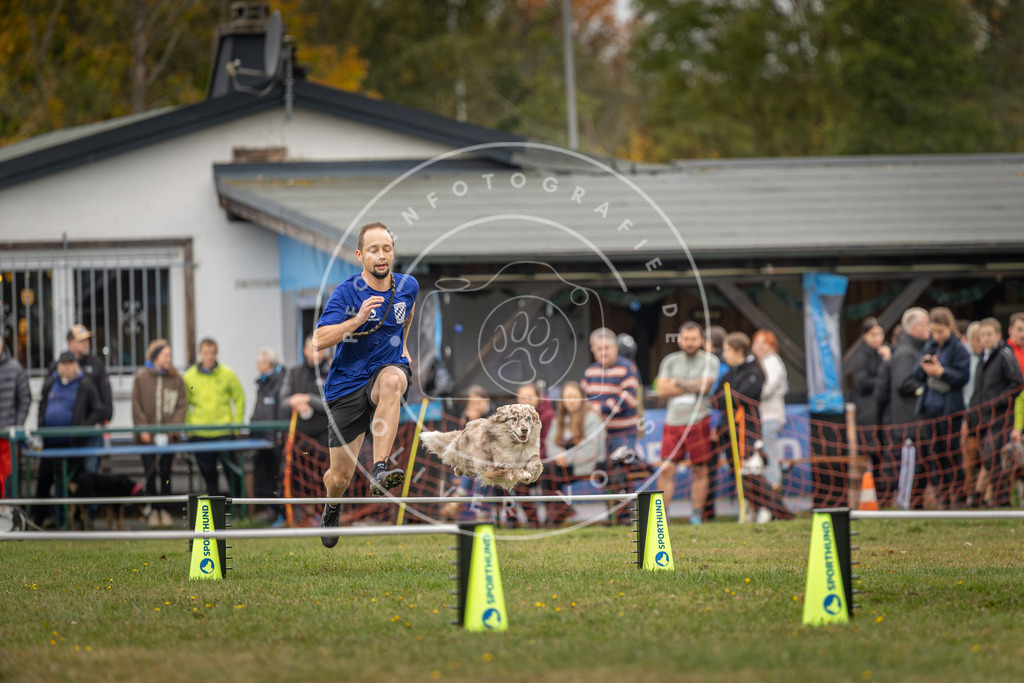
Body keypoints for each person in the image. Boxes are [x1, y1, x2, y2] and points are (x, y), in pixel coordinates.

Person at [314, 221, 418, 548]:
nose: (381, 255)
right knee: (339, 477)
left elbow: (407, 312)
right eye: (374, 250)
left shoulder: (408, 286)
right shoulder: (346, 293)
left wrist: (403, 345)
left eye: (387, 248)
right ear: (360, 256)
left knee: (392, 380)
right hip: (346, 386)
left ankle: (380, 468)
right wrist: (357, 320)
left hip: (385, 371)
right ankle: (332, 505)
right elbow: (319, 340)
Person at [656, 321, 719, 526]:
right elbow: (661, 390)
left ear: (701, 340)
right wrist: (693, 385)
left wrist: (676, 383)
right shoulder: (670, 361)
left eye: (693, 339)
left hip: (699, 421)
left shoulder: (710, 360)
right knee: (667, 468)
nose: (689, 342)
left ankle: (696, 516)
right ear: (679, 340)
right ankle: (662, 516)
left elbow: (705, 386)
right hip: (673, 422)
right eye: (686, 338)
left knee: (699, 469)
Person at [33, 352, 105, 527]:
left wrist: (82, 427)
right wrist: (41, 426)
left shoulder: (85, 384)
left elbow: (98, 410)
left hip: (73, 444)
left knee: (72, 480)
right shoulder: (50, 383)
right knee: (45, 478)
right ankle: (41, 519)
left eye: (70, 364)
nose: (66, 367)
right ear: (58, 366)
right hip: (50, 442)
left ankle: (76, 519)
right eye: (63, 364)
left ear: (75, 365)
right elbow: (42, 407)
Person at [912, 307, 970, 509]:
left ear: (949, 327)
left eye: (940, 331)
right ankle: (942, 496)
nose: (936, 335)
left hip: (949, 410)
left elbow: (963, 376)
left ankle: (959, 495)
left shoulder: (959, 349)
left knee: (951, 453)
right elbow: (915, 374)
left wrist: (941, 372)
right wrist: (924, 366)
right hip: (929, 409)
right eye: (933, 331)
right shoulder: (930, 346)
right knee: (934, 454)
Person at [581, 327, 640, 523]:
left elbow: (629, 397)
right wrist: (589, 409)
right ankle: (611, 513)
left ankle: (625, 514)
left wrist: (602, 408)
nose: (603, 352)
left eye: (607, 348)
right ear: (593, 350)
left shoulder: (627, 368)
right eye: (599, 349)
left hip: (623, 432)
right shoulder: (590, 371)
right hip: (598, 434)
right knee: (603, 470)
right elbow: (582, 398)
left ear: (615, 348)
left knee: (621, 467)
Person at [966, 318, 1024, 507]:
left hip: (1000, 417)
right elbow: (978, 391)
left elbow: (1017, 384)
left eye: (990, 334)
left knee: (991, 455)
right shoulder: (983, 358)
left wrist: (998, 402)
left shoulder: (1005, 354)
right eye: (983, 335)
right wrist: (972, 415)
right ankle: (997, 498)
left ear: (998, 335)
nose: (986, 338)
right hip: (982, 417)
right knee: (988, 459)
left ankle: (1002, 498)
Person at [131, 338, 187, 529]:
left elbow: (181, 405)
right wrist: (143, 429)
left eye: (169, 355)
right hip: (146, 439)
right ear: (155, 356)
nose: (168, 359)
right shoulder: (141, 378)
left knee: (166, 473)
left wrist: (173, 429)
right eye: (165, 355)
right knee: (150, 473)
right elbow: (136, 405)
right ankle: (154, 510)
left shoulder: (176, 379)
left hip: (168, 438)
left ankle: (165, 510)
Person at [184, 337, 246, 498]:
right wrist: (188, 428)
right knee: (209, 476)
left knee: (232, 473)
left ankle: (239, 507)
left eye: (212, 353)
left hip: (224, 432)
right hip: (200, 434)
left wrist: (237, 426)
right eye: (206, 353)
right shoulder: (189, 376)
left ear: (216, 353)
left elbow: (239, 399)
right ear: (200, 353)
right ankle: (214, 508)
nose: (209, 357)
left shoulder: (228, 374)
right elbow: (184, 404)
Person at [53, 324, 113, 474]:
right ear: (70, 343)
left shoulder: (96, 364)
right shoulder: (60, 365)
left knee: (89, 473)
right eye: (81, 340)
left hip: (91, 430)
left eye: (87, 340)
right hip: (66, 433)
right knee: (65, 474)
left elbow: (106, 397)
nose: (86, 344)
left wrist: (102, 421)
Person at [846, 317, 894, 503]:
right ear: (865, 336)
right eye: (873, 335)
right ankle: (875, 495)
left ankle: (885, 495)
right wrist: (884, 371)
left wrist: (888, 361)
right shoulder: (860, 356)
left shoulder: (886, 352)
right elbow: (862, 382)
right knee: (871, 454)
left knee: (886, 454)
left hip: (885, 413)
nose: (878, 338)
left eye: (880, 334)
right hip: (869, 415)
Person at [545, 381, 605, 526]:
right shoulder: (558, 420)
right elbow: (550, 443)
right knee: (546, 470)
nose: (571, 401)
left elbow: (593, 448)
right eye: (567, 397)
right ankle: (559, 511)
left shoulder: (592, 418)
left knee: (549, 471)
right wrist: (559, 456)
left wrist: (568, 457)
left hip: (587, 464)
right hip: (563, 464)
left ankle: (559, 513)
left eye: (574, 396)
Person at [886, 307, 930, 509]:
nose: (930, 328)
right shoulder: (905, 352)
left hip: (915, 421)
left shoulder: (916, 348)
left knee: (921, 467)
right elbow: (902, 383)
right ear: (916, 327)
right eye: (927, 324)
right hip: (908, 423)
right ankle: (905, 506)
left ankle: (915, 506)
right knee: (910, 468)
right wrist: (927, 389)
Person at [250, 348, 289, 524]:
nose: (257, 365)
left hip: (277, 439)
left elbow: (281, 409)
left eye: (259, 362)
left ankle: (284, 513)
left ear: (268, 363)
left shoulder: (283, 379)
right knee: (268, 478)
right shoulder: (262, 382)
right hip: (262, 439)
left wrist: (279, 434)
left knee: (280, 478)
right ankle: (273, 510)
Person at [508, 382, 553, 527]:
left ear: (538, 397)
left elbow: (546, 444)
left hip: (544, 460)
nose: (526, 400)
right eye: (522, 397)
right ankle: (530, 520)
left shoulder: (547, 416)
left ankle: (553, 517)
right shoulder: (512, 419)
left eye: (529, 396)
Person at [752, 329, 788, 499]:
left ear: (772, 346)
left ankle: (773, 491)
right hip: (762, 416)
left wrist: (747, 392)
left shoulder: (772, 361)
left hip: (770, 416)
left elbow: (767, 389)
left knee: (769, 454)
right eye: (756, 342)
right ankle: (767, 492)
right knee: (763, 454)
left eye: (764, 342)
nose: (759, 346)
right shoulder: (759, 362)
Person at [0, 331, 31, 498]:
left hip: (7, 437)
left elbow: (25, 399)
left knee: (8, 478)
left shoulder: (15, 368)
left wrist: (17, 424)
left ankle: (8, 510)